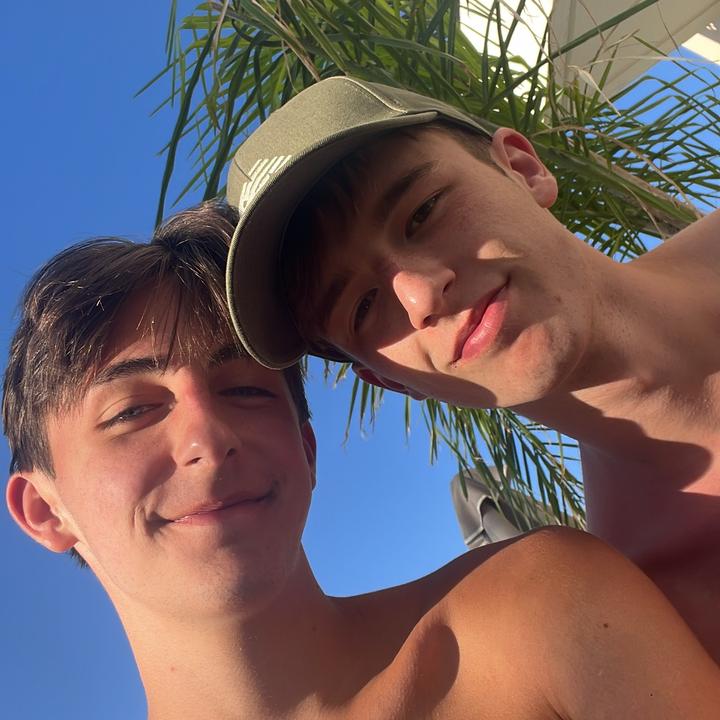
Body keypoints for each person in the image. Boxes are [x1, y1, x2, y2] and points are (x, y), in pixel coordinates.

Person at [4, 201, 719, 718]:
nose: (208, 438)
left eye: (246, 390)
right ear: (44, 509)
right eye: (132, 411)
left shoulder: (539, 615)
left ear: (307, 449)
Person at [223, 76, 720, 662]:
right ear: (386, 378)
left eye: (423, 212)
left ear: (523, 168)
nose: (420, 296)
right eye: (362, 307)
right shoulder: (667, 617)